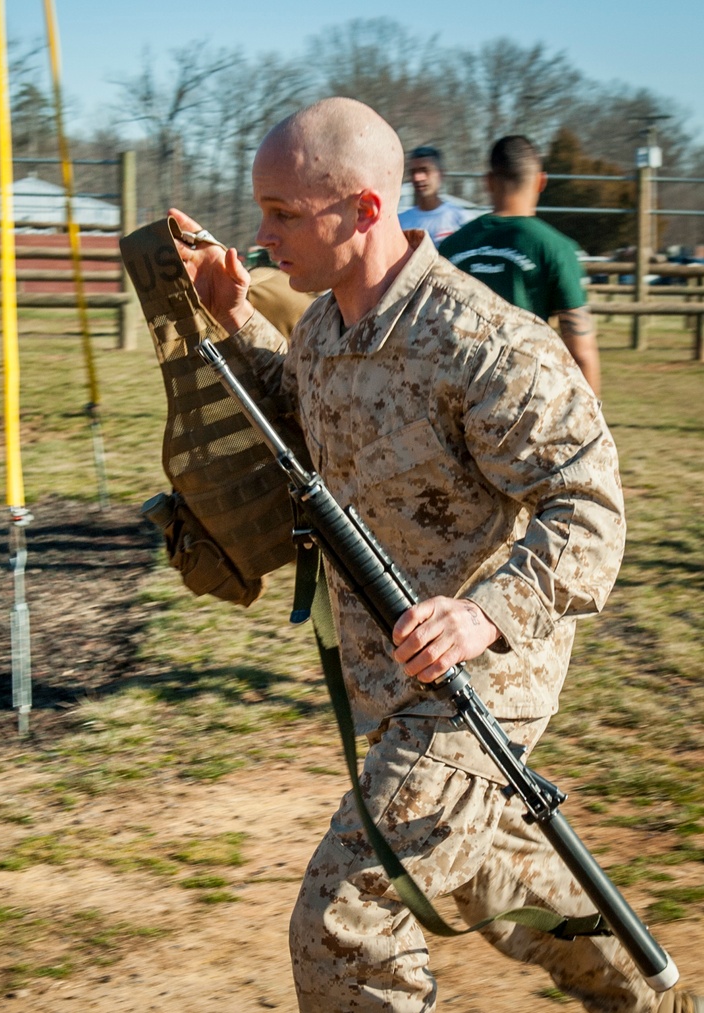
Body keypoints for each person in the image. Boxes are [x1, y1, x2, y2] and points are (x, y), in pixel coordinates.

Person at [169, 98, 698, 1012]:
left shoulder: (483, 342)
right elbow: (298, 414)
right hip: (398, 681)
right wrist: (228, 318)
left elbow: (590, 509)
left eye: (285, 213)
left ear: (367, 210)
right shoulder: (325, 327)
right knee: (485, 877)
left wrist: (482, 611)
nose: (261, 237)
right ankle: (650, 1000)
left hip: (480, 688)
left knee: (345, 918)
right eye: (262, 211)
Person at [439, 135, 601, 394]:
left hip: (454, 395)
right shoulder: (556, 248)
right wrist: (593, 423)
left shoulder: (450, 247)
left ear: (489, 182)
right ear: (541, 181)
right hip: (523, 398)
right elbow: (582, 351)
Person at [397, 144, 475, 243]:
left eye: (425, 170)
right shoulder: (401, 223)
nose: (418, 178)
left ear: (441, 174)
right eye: (413, 172)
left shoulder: (461, 219)